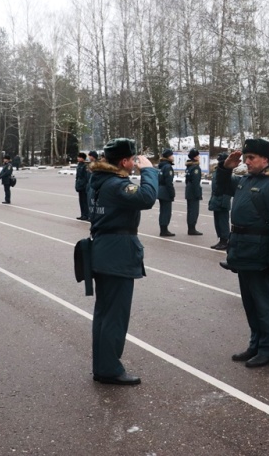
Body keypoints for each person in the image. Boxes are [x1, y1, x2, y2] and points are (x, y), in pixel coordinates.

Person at [216, 138, 269, 368]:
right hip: (242, 250)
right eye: (246, 158)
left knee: (263, 304)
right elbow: (221, 187)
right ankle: (255, 344)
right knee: (249, 303)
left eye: (251, 158)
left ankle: (268, 350)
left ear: (265, 160)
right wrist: (224, 168)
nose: (246, 162)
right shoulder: (245, 181)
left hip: (259, 253)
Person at [88, 138, 157, 384]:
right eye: (132, 159)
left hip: (103, 249)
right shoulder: (117, 184)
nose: (133, 163)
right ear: (124, 161)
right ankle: (109, 369)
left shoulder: (97, 180)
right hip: (117, 253)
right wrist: (148, 170)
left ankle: (102, 364)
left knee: (104, 313)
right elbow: (147, 198)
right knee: (115, 314)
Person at [208, 152, 231, 250]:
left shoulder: (227, 173)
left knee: (223, 222)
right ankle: (221, 240)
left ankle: (225, 241)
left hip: (222, 200)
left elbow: (227, 189)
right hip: (216, 199)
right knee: (217, 222)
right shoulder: (217, 171)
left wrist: (224, 202)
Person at [157, 149, 176, 236]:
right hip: (165, 191)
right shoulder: (168, 167)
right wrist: (172, 193)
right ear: (168, 157)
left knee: (162, 210)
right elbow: (169, 182)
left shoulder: (161, 166)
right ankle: (164, 230)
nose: (173, 157)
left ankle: (163, 228)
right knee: (166, 211)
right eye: (171, 155)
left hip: (160, 190)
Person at [75, 152, 90, 220]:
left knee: (85, 201)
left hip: (84, 185)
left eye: (79, 157)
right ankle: (83, 214)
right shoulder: (79, 165)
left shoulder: (85, 165)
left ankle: (86, 214)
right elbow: (77, 177)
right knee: (81, 200)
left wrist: (85, 184)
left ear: (82, 158)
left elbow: (86, 177)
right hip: (80, 185)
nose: (78, 158)